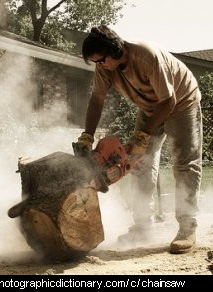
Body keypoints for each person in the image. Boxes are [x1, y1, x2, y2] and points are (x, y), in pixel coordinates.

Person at [73, 25, 202, 254]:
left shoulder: (147, 57)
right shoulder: (104, 66)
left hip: (180, 103)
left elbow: (168, 101)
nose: (99, 66)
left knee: (184, 163)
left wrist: (143, 134)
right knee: (138, 163)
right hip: (150, 107)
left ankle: (187, 228)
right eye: (96, 63)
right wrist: (87, 135)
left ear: (114, 51)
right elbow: (97, 99)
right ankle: (142, 226)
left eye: (101, 61)